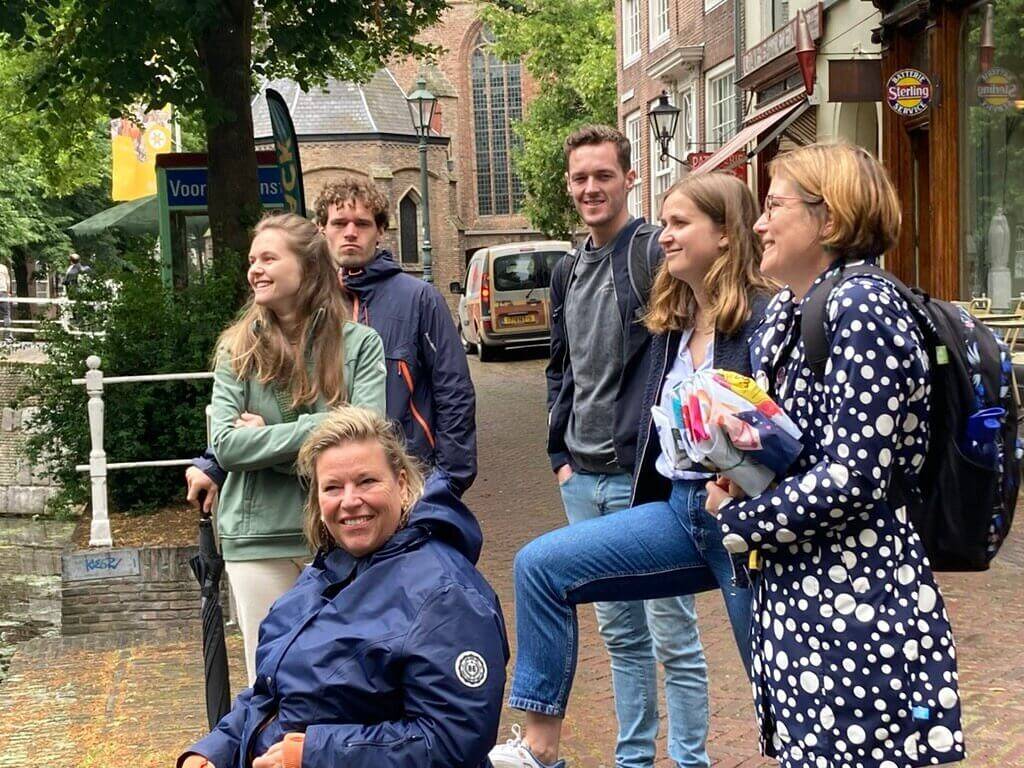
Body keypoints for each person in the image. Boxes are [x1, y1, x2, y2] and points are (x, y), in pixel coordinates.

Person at [490, 173, 774, 768]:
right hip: (678, 513)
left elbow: (790, 425)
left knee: (777, 685)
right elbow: (578, 367)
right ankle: (540, 746)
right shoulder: (670, 323)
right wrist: (562, 455)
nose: (665, 237)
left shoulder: (768, 319)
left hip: (746, 527)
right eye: (665, 224)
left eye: (679, 224)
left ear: (725, 235)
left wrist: (745, 474)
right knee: (540, 567)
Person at [706, 143, 964, 768]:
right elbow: (795, 455)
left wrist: (737, 523)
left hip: (860, 606)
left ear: (829, 219)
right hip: (800, 600)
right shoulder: (786, 314)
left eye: (773, 206)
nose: (759, 224)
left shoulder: (864, 307)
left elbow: (855, 477)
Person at [177, 407, 508, 768]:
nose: (349, 501)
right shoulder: (323, 574)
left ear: (401, 484)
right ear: (318, 501)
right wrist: (213, 751)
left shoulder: (447, 594)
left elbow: (454, 739)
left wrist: (313, 755)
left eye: (366, 481)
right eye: (333, 487)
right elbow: (271, 694)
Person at [185, 176, 476, 516]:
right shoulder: (296, 300)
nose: (350, 232)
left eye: (363, 224)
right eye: (339, 223)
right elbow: (272, 393)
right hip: (329, 495)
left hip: (409, 486)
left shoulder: (418, 299)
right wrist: (213, 463)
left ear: (380, 231)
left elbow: (454, 393)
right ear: (321, 229)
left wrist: (446, 485)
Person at [209, 212, 386, 685]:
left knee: (346, 674)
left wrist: (265, 438)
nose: (255, 269)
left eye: (269, 257)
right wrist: (325, 425)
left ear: (307, 268)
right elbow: (226, 446)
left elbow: (367, 440)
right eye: (252, 260)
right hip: (257, 536)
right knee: (269, 678)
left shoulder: (361, 345)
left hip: (341, 531)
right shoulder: (236, 350)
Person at [0, 259, 13, 344]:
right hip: (3, 291)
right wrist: (8, 292)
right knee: (6, 314)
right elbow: (8, 282)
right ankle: (8, 337)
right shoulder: (3, 268)